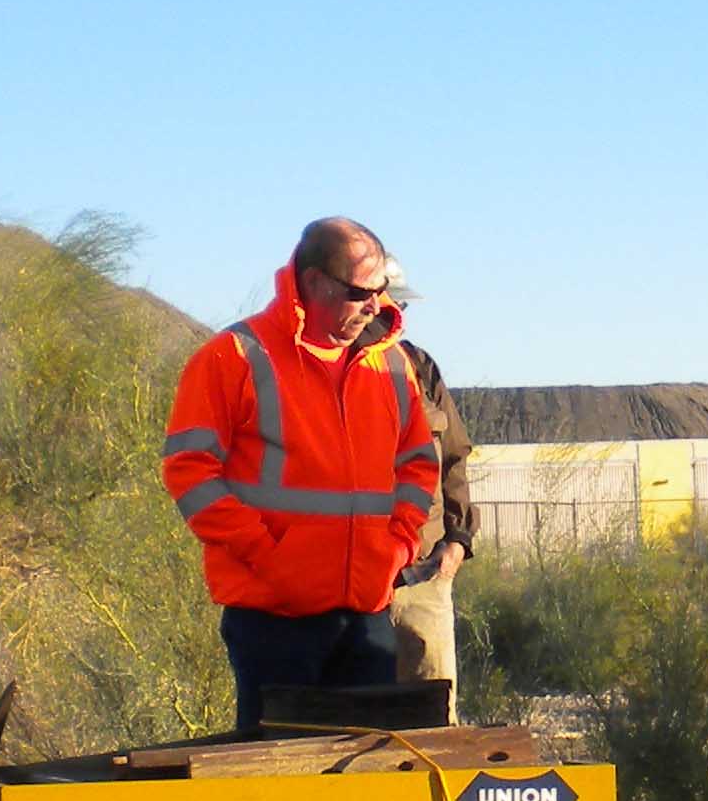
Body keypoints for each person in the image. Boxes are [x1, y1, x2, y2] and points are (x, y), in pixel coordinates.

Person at [159, 217, 442, 736]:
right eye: (360, 292)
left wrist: (397, 547)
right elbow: (189, 472)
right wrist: (268, 555)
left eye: (380, 292)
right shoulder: (233, 357)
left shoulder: (393, 367)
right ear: (314, 283)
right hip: (274, 622)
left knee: (365, 783)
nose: (375, 306)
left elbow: (419, 464)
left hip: (366, 615)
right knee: (277, 784)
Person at [355, 264, 476, 716]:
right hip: (344, 588)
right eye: (389, 300)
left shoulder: (418, 367)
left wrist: (458, 542)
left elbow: (455, 458)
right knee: (351, 725)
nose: (392, 311)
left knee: (435, 720)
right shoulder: (313, 372)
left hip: (423, 576)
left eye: (398, 302)